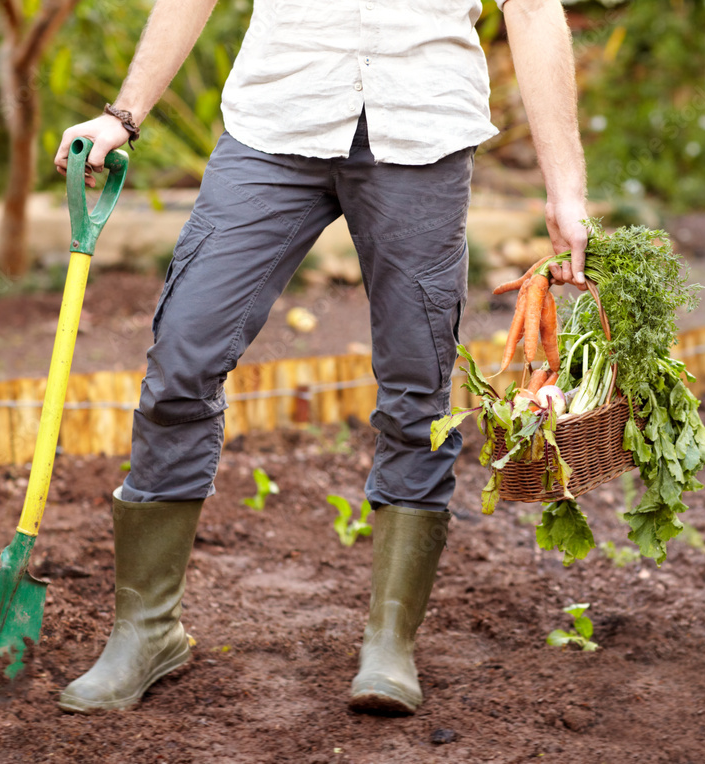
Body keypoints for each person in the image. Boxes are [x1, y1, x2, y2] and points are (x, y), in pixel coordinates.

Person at [53, 0, 588, 716]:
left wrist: (566, 189)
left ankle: (390, 640)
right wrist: (122, 117)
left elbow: (530, 8)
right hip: (277, 122)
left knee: (417, 390)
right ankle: (145, 632)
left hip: (422, 132)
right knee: (183, 358)